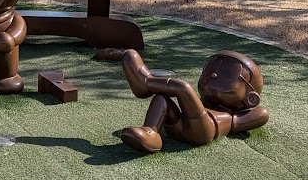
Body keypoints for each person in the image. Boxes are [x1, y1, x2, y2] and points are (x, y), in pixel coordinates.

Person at [107, 48, 268, 153]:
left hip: (204, 130)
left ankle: (146, 82)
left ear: (251, 98)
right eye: (209, 69)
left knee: (183, 88)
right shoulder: (200, 102)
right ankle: (151, 132)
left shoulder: (234, 116)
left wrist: (246, 107)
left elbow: (261, 114)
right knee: (162, 99)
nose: (213, 75)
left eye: (228, 74)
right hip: (180, 124)